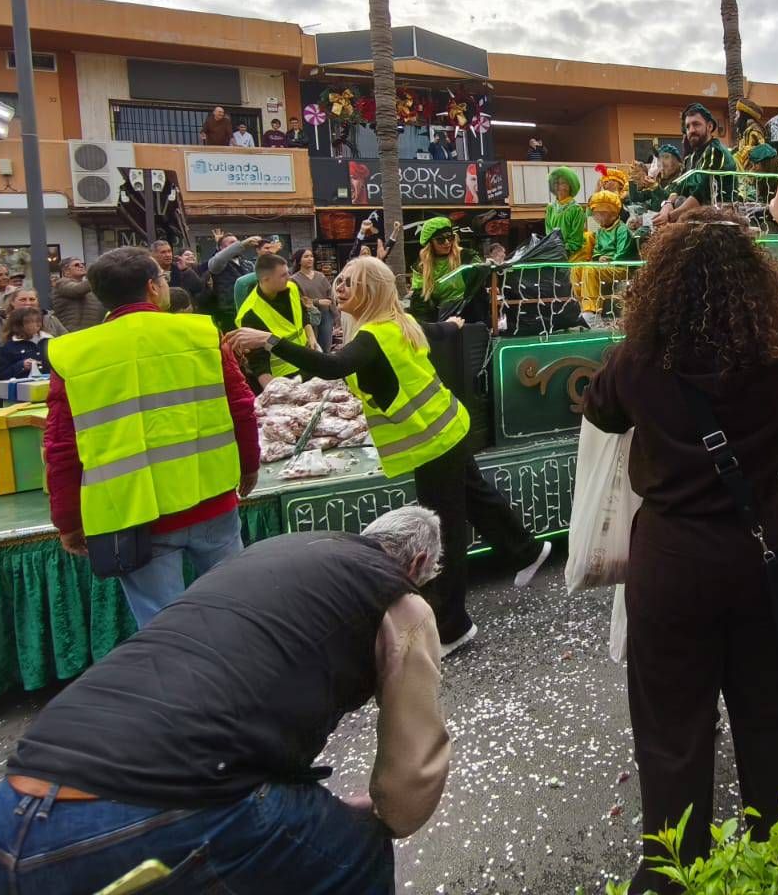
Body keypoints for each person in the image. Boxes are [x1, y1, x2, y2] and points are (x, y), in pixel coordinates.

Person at [582, 169, 778, 890]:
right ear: (750, 270)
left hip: (671, 556)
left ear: (664, 273)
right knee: (774, 715)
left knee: (671, 727)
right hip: (765, 541)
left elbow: (602, 411)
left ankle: (672, 872)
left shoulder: (640, 356)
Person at [0, 507, 450, 895]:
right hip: (141, 817)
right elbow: (412, 773)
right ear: (414, 568)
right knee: (357, 849)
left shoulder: (276, 552)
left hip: (10, 812)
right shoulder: (397, 599)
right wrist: (384, 813)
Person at [228, 258, 550, 655]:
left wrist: (270, 342)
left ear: (372, 291)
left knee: (442, 531)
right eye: (340, 281)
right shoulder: (398, 322)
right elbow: (437, 330)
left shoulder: (375, 336)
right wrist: (453, 326)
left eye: (351, 282)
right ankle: (528, 550)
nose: (340, 287)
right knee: (476, 498)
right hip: (444, 427)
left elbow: (331, 367)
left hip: (431, 438)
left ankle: (452, 627)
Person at [43, 246, 258, 628]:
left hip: (135, 512)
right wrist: (249, 465)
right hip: (211, 496)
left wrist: (68, 520)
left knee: (167, 630)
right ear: (153, 288)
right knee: (237, 612)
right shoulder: (200, 333)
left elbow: (61, 446)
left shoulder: (73, 353)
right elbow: (240, 405)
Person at [236, 252, 311, 390]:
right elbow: (257, 360)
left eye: (287, 272)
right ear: (265, 279)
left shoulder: (292, 287)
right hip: (282, 378)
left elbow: (303, 314)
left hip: (306, 362)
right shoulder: (250, 313)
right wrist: (273, 391)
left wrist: (311, 338)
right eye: (283, 275)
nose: (289, 277)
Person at [654, 104, 737, 225]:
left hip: (719, 219)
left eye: (696, 124)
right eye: (688, 127)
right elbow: (678, 188)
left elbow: (701, 194)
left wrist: (671, 217)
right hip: (694, 217)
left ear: (709, 126)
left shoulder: (716, 152)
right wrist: (667, 205)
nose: (691, 130)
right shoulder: (690, 158)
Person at [580, 189, 637, 323]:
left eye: (597, 214)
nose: (595, 217)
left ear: (609, 213)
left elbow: (623, 254)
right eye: (594, 214)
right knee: (578, 268)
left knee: (590, 269)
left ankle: (592, 311)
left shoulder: (622, 229)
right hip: (605, 266)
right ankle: (582, 307)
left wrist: (609, 260)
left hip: (622, 268)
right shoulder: (600, 232)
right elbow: (596, 251)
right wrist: (599, 257)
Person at [408, 217, 479, 322]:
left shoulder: (466, 256)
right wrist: (426, 328)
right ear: (430, 243)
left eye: (450, 238)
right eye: (440, 240)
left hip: (469, 310)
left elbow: (480, 278)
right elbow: (420, 299)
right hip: (439, 313)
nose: (447, 243)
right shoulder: (421, 266)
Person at [0, 289, 67, 350]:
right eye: (23, 300)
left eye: (32, 299)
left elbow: (67, 342)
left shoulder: (50, 319)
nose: (28, 303)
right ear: (12, 302)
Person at [205, 233, 262, 333]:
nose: (237, 245)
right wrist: (243, 244)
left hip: (250, 311)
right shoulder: (217, 264)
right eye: (232, 243)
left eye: (237, 242)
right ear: (221, 248)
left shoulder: (248, 264)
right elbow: (219, 258)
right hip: (229, 314)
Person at [292, 247, 336, 350]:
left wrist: (336, 317)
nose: (310, 259)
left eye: (311, 256)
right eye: (306, 256)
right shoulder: (294, 280)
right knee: (313, 347)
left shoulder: (320, 276)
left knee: (326, 347)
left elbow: (330, 296)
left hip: (325, 315)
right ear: (299, 261)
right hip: (308, 317)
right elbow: (301, 300)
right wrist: (318, 301)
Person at [0, 306, 51, 382]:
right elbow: (2, 375)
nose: (37, 324)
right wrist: (21, 365)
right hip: (23, 388)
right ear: (18, 325)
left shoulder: (49, 341)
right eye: (30, 321)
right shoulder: (8, 347)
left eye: (38, 320)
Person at [51, 257, 105, 331]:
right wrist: (98, 277)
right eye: (76, 265)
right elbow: (76, 290)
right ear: (66, 271)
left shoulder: (89, 287)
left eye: (82, 264)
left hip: (91, 333)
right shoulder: (61, 284)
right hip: (71, 335)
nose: (81, 266)